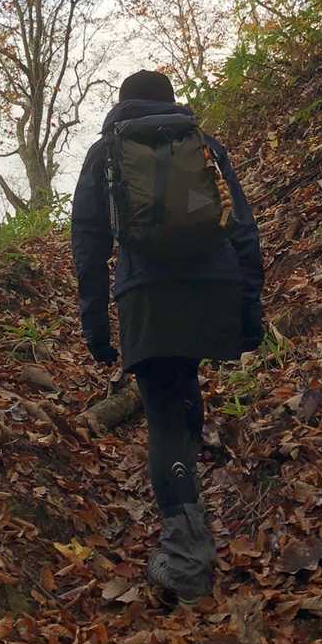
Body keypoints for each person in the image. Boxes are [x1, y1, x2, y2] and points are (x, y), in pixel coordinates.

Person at [71, 70, 265, 604]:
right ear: (171, 103)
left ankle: (185, 560)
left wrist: (96, 325)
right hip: (213, 288)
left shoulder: (105, 154)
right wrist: (250, 306)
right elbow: (242, 227)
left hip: (148, 296)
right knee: (183, 389)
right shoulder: (204, 146)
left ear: (121, 104)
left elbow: (88, 247)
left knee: (163, 416)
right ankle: (192, 515)